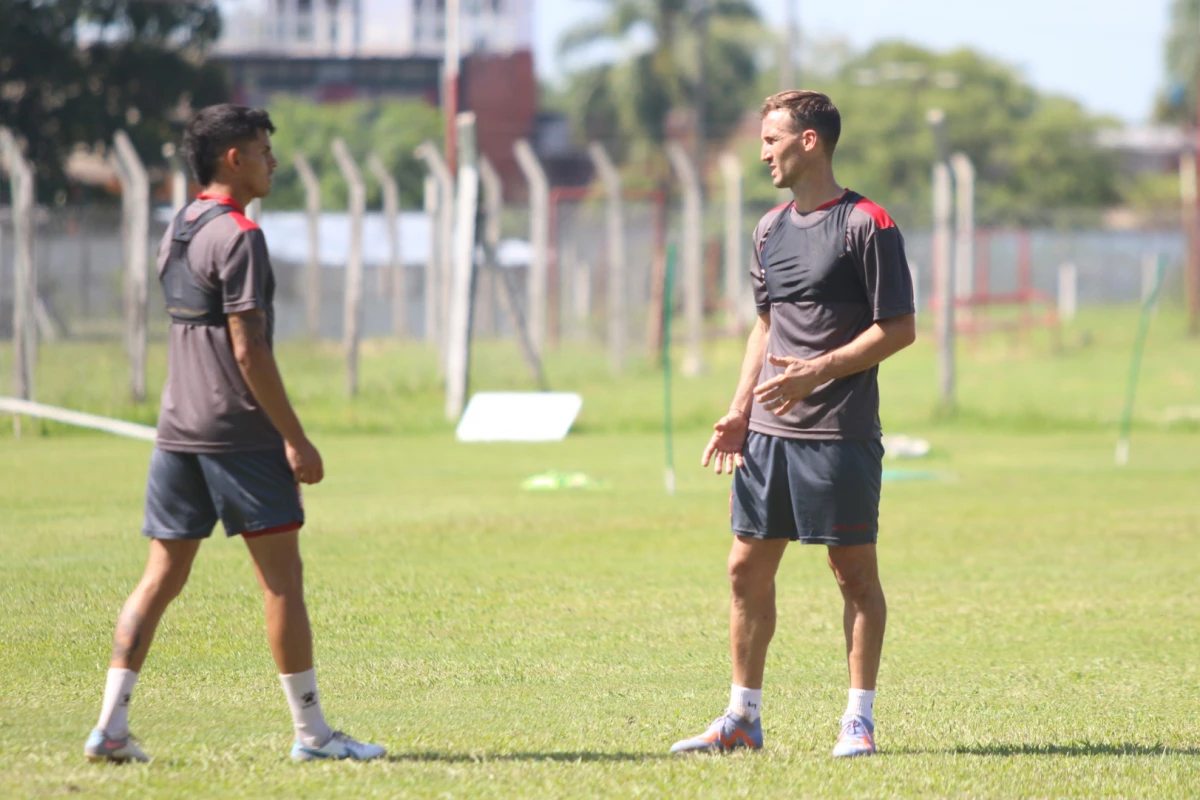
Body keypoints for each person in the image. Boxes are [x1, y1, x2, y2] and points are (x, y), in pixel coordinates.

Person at [84, 104, 385, 763]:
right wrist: (296, 438)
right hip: (238, 436)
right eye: (262, 150)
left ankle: (109, 729)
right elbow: (248, 352)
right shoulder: (241, 235)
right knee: (282, 583)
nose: (272, 162)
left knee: (159, 577)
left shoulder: (180, 227)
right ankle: (313, 736)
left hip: (176, 431)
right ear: (233, 160)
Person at [670, 90, 916, 758]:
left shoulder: (869, 224)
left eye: (773, 138)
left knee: (853, 575)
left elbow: (899, 329)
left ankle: (857, 721)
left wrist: (821, 370)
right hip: (769, 440)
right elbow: (766, 324)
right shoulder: (768, 228)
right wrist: (739, 408)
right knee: (744, 568)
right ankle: (741, 719)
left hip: (838, 436)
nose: (763, 152)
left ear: (810, 142)